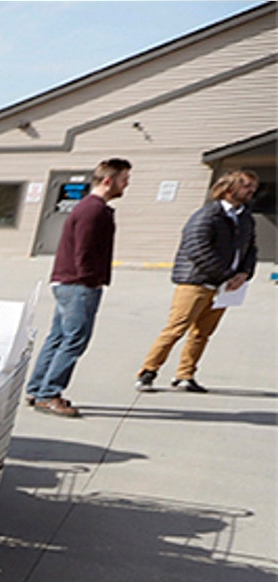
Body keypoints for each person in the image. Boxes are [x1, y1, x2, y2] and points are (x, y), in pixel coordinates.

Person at [135, 170, 259, 394]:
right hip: (197, 282)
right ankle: (147, 372)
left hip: (225, 287)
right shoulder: (207, 215)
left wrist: (245, 273)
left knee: (202, 333)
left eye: (253, 187)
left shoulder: (245, 218)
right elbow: (197, 248)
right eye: (246, 186)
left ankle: (185, 375)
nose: (251, 191)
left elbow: (250, 249)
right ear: (229, 189)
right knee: (176, 328)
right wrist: (226, 275)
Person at [25, 158, 131, 417]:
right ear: (108, 180)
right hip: (78, 285)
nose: (126, 185)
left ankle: (38, 388)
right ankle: (49, 393)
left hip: (69, 282)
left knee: (59, 337)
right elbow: (84, 250)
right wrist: (90, 279)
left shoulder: (91, 208)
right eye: (124, 179)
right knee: (74, 340)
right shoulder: (93, 210)